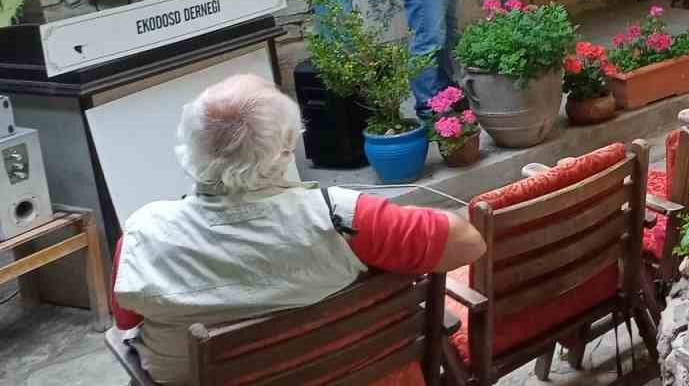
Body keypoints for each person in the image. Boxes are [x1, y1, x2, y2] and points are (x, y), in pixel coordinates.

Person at [111, 74, 486, 384]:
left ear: (189, 149)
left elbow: (126, 321)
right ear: (285, 149)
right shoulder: (344, 217)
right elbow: (468, 243)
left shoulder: (142, 237)